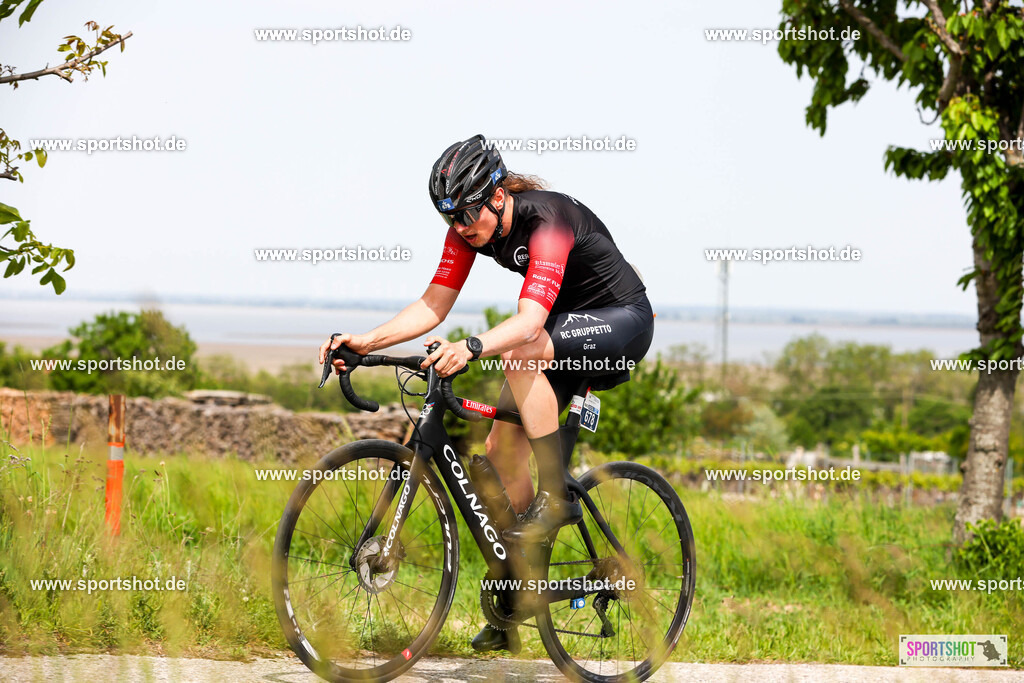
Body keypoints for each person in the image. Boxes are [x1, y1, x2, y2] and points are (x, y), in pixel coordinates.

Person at [318, 134, 654, 653]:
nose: (460, 229)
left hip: (622, 322)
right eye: (450, 220)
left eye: (467, 216)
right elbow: (433, 305)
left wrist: (473, 346)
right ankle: (511, 607)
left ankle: (558, 497)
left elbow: (531, 321)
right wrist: (366, 340)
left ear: (498, 196)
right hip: (560, 335)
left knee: (518, 351)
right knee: (498, 457)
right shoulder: (469, 228)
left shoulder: (548, 222)